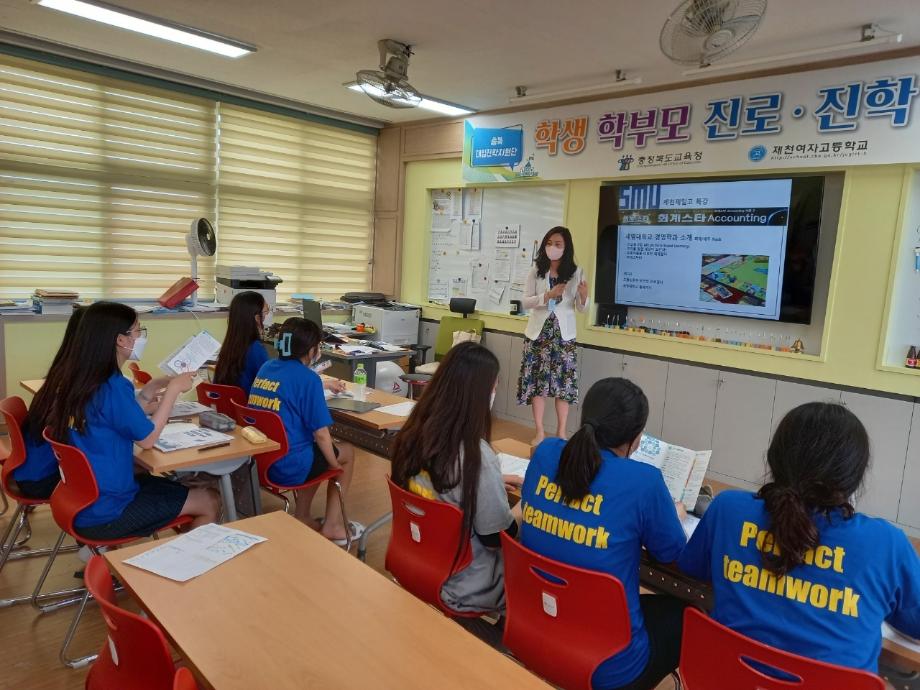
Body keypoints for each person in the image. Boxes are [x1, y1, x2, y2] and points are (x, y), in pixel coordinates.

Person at [678, 402, 920, 675]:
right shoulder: (886, 544)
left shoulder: (727, 508)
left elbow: (692, 567)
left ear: (773, 458)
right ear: (855, 475)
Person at [519, 378, 688, 690]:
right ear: (636, 439)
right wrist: (674, 514)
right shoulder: (644, 481)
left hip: (534, 626)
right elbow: (672, 555)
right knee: (687, 614)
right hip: (607, 667)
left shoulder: (546, 453)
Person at [43, 301, 219, 539]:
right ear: (121, 340)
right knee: (209, 500)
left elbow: (116, 416)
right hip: (108, 510)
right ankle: (182, 564)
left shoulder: (81, 379)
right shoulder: (114, 385)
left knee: (180, 485)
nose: (140, 336)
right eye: (138, 330)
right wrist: (173, 391)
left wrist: (150, 389)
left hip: (79, 498)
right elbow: (147, 439)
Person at [391, 342, 519, 625]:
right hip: (464, 584)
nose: (495, 393)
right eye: (494, 387)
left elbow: (442, 488)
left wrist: (489, 482)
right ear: (479, 394)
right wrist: (524, 506)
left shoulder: (413, 434)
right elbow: (497, 538)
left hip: (417, 561)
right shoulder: (475, 457)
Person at [247, 317, 360, 544]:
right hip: (289, 466)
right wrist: (334, 464)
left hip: (260, 460)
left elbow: (290, 384)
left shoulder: (267, 367)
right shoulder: (308, 379)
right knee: (345, 452)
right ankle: (333, 526)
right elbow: (321, 434)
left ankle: (303, 516)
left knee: (312, 450)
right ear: (312, 350)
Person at [518, 226, 589, 445]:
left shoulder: (576, 272)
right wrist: (548, 295)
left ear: (566, 247)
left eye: (558, 244)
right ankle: (539, 431)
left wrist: (584, 297)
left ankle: (561, 432)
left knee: (563, 386)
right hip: (539, 332)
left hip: (563, 335)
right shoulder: (536, 270)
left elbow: (582, 309)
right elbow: (525, 302)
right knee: (538, 383)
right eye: (549, 243)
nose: (552, 248)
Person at [14, 306, 85, 500]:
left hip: (29, 471)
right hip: (43, 479)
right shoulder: (77, 381)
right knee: (131, 470)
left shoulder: (63, 368)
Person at [213, 290, 271, 396]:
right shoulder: (256, 349)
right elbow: (271, 384)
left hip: (228, 409)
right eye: (265, 312)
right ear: (257, 318)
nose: (266, 316)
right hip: (247, 409)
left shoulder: (229, 347)